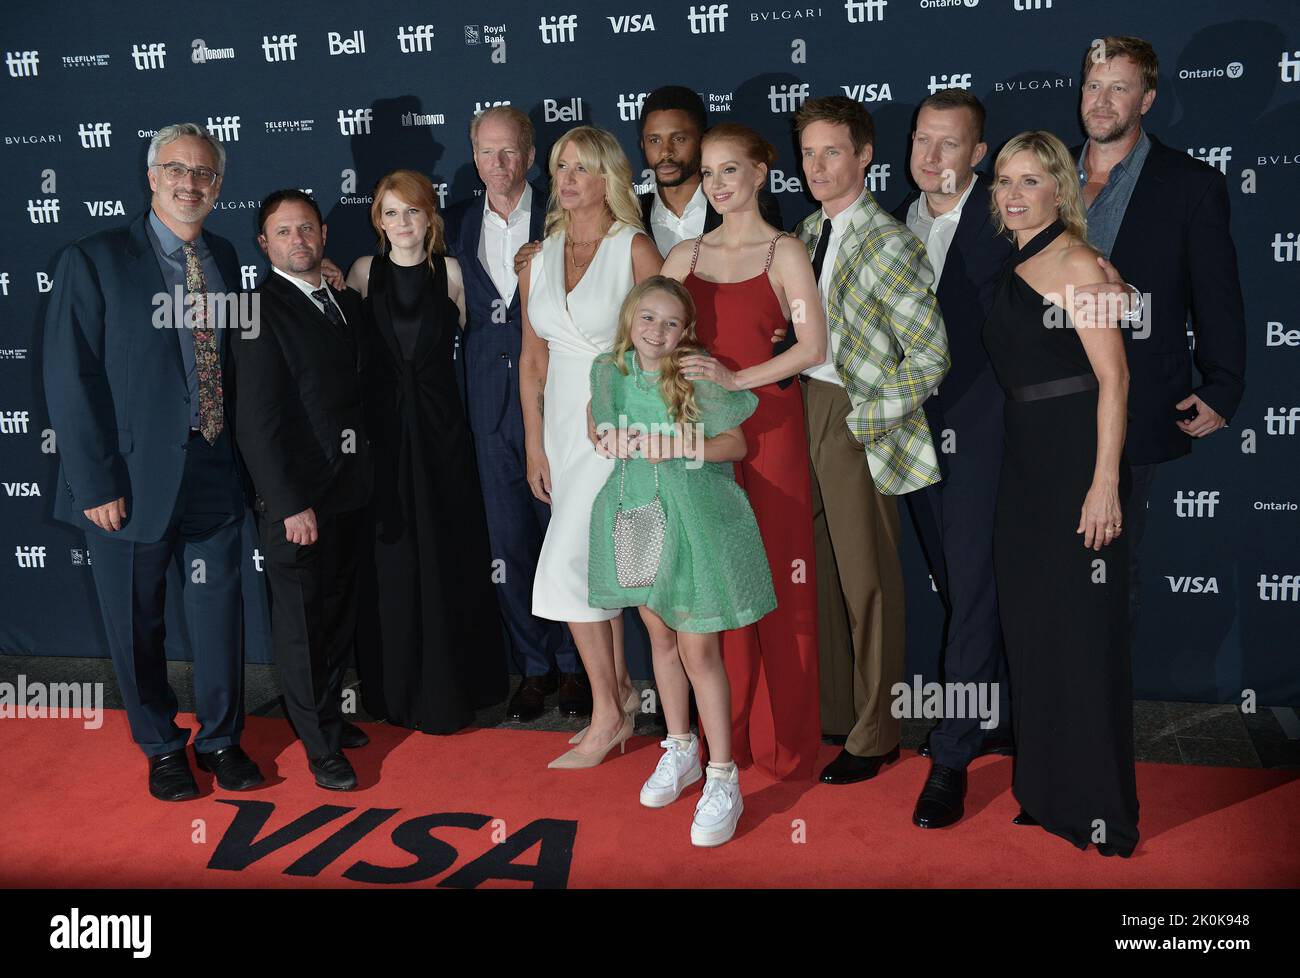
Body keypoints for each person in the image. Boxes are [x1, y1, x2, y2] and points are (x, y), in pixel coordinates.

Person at [43, 122, 260, 801]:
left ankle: (222, 738)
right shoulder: (96, 258)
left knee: (222, 613)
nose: (190, 183)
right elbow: (70, 379)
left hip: (214, 469)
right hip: (128, 482)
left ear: (218, 186)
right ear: (151, 177)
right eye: (177, 170)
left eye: (203, 173)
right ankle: (162, 746)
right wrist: (95, 481)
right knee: (135, 621)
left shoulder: (223, 256)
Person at [983, 130, 1137, 857]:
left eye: (1031, 181)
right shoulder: (1018, 259)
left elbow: (1115, 379)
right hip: (1025, 464)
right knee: (1034, 630)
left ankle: (1098, 808)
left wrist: (1104, 483)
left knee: (1080, 633)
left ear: (1059, 191)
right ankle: (1045, 793)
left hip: (1078, 458)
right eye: (1005, 181)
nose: (1014, 194)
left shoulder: (1080, 262)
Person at [660, 122, 827, 782]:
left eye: (731, 169)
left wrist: (736, 377)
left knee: (784, 590)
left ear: (761, 173)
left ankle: (785, 745)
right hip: (704, 442)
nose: (718, 184)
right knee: (714, 590)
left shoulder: (785, 253)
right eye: (708, 172)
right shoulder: (681, 259)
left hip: (773, 437)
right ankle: (722, 740)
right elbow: (648, 346)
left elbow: (812, 349)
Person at [793, 97, 950, 786]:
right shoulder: (804, 231)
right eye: (807, 153)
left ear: (864, 156)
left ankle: (878, 733)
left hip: (856, 421)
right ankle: (838, 712)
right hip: (803, 410)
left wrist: (862, 422)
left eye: (832, 151)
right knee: (823, 576)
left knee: (870, 585)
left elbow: (931, 356)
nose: (818, 166)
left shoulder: (888, 240)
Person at [585, 277, 775, 846]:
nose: (656, 332)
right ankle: (680, 748)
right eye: (647, 319)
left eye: (670, 323)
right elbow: (597, 423)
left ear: (685, 330)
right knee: (658, 634)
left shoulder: (694, 372)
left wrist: (681, 445)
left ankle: (723, 777)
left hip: (694, 514)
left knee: (697, 646)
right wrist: (605, 439)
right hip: (637, 511)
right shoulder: (609, 368)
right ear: (629, 320)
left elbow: (738, 445)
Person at [1073, 35, 1246, 634]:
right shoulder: (1042, 179)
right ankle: (1049, 711)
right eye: (1094, 86)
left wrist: (1223, 384)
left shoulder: (1190, 183)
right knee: (1048, 565)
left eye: (1118, 88)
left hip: (1137, 395)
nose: (1101, 101)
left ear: (1147, 99)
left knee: (1111, 561)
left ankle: (1102, 716)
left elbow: (1216, 292)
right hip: (1039, 402)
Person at [518, 126, 662, 768]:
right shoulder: (539, 256)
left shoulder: (633, 247)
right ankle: (623, 696)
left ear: (609, 177)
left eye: (582, 166)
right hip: (560, 436)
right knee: (589, 566)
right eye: (560, 166)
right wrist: (533, 444)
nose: (568, 177)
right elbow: (532, 359)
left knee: (571, 566)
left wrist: (636, 427)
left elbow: (664, 351)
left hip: (615, 428)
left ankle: (608, 713)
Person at [344, 170, 507, 735]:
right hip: (383, 433)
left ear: (430, 216)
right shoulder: (363, 274)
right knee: (391, 557)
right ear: (378, 221)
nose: (403, 223)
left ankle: (458, 683)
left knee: (447, 552)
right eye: (391, 213)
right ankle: (395, 686)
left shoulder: (455, 274)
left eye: (412, 211)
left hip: (443, 434)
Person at [443, 107, 588, 723]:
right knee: (508, 547)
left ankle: (581, 666)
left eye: (509, 153)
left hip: (555, 403)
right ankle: (533, 668)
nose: (497, 165)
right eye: (485, 152)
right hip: (482, 410)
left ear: (530, 157)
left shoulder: (564, 216)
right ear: (473, 156)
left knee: (567, 536)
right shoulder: (452, 224)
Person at [234, 190, 371, 791]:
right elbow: (255, 422)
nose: (299, 240)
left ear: (322, 234)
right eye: (284, 232)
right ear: (265, 245)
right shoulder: (255, 309)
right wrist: (288, 503)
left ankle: (330, 719)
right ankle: (318, 744)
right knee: (301, 625)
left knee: (338, 614)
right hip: (299, 503)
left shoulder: (339, 301)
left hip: (348, 491)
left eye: (307, 229)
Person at [637, 85, 785, 257]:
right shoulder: (630, 217)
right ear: (643, 145)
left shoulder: (752, 205)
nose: (665, 151)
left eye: (678, 139)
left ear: (702, 141)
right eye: (654, 140)